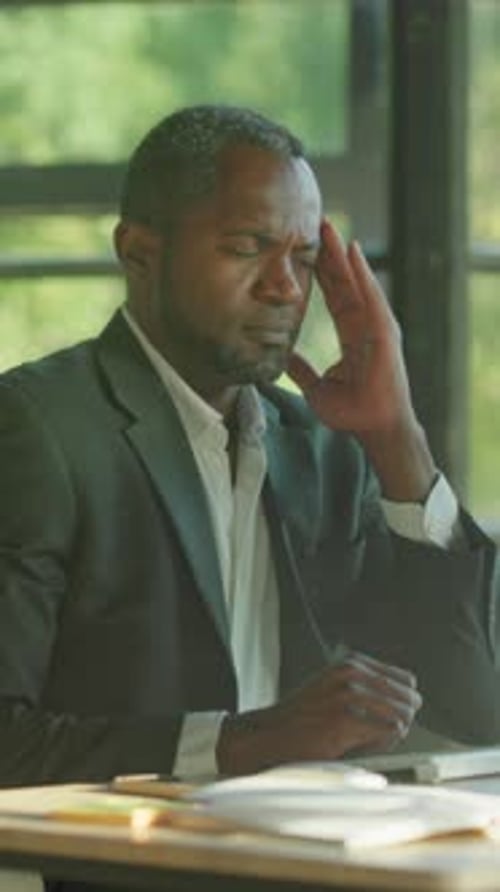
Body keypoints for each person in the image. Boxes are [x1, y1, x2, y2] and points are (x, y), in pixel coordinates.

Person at [0, 103, 499, 791]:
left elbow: (471, 709)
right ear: (139, 254)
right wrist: (246, 742)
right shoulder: (36, 429)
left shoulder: (329, 452)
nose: (285, 287)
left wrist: (398, 442)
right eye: (245, 247)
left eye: (304, 257)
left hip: (314, 862)